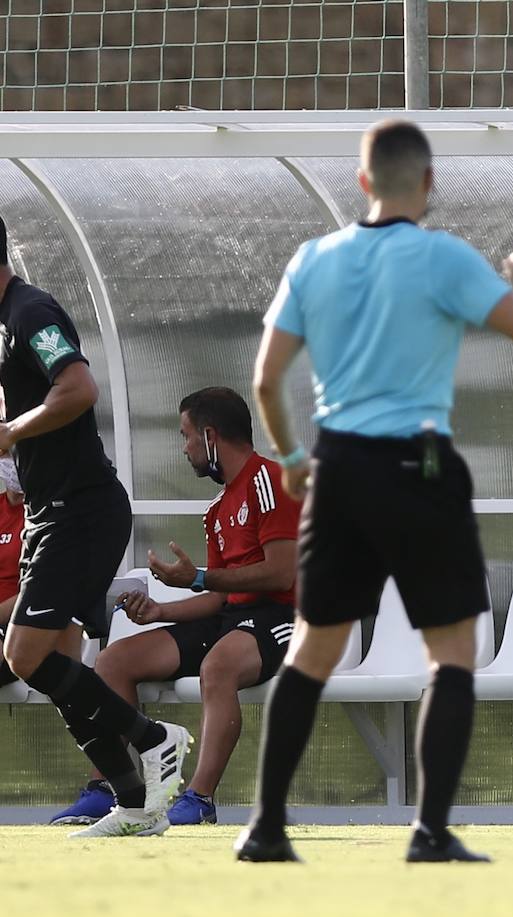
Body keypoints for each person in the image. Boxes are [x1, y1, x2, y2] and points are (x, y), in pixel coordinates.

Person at [238, 119, 513, 863]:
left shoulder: (313, 259)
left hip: (338, 469)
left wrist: (289, 455)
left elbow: (264, 377)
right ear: (429, 182)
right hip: (418, 468)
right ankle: (429, 831)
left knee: (312, 653)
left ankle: (266, 827)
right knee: (449, 656)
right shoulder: (441, 257)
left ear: (362, 182)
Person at [0, 216, 191, 838]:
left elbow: (78, 388)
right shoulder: (7, 323)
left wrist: (11, 432)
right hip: (50, 512)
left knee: (21, 654)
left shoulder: (30, 311)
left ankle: (157, 738)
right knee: (57, 662)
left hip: (81, 511)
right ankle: (136, 805)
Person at [50, 387, 302, 827]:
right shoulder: (218, 508)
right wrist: (160, 611)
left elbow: (282, 574)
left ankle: (199, 799)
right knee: (114, 661)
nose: (183, 448)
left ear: (210, 435)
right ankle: (111, 788)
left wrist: (199, 577)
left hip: (281, 618)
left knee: (218, 666)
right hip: (232, 620)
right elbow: (220, 598)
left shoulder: (271, 480)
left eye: (185, 436)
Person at [0, 453, 82, 691]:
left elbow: (46, 589)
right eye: (5, 454)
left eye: (17, 453)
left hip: (21, 625)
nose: (11, 461)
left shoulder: (47, 516)